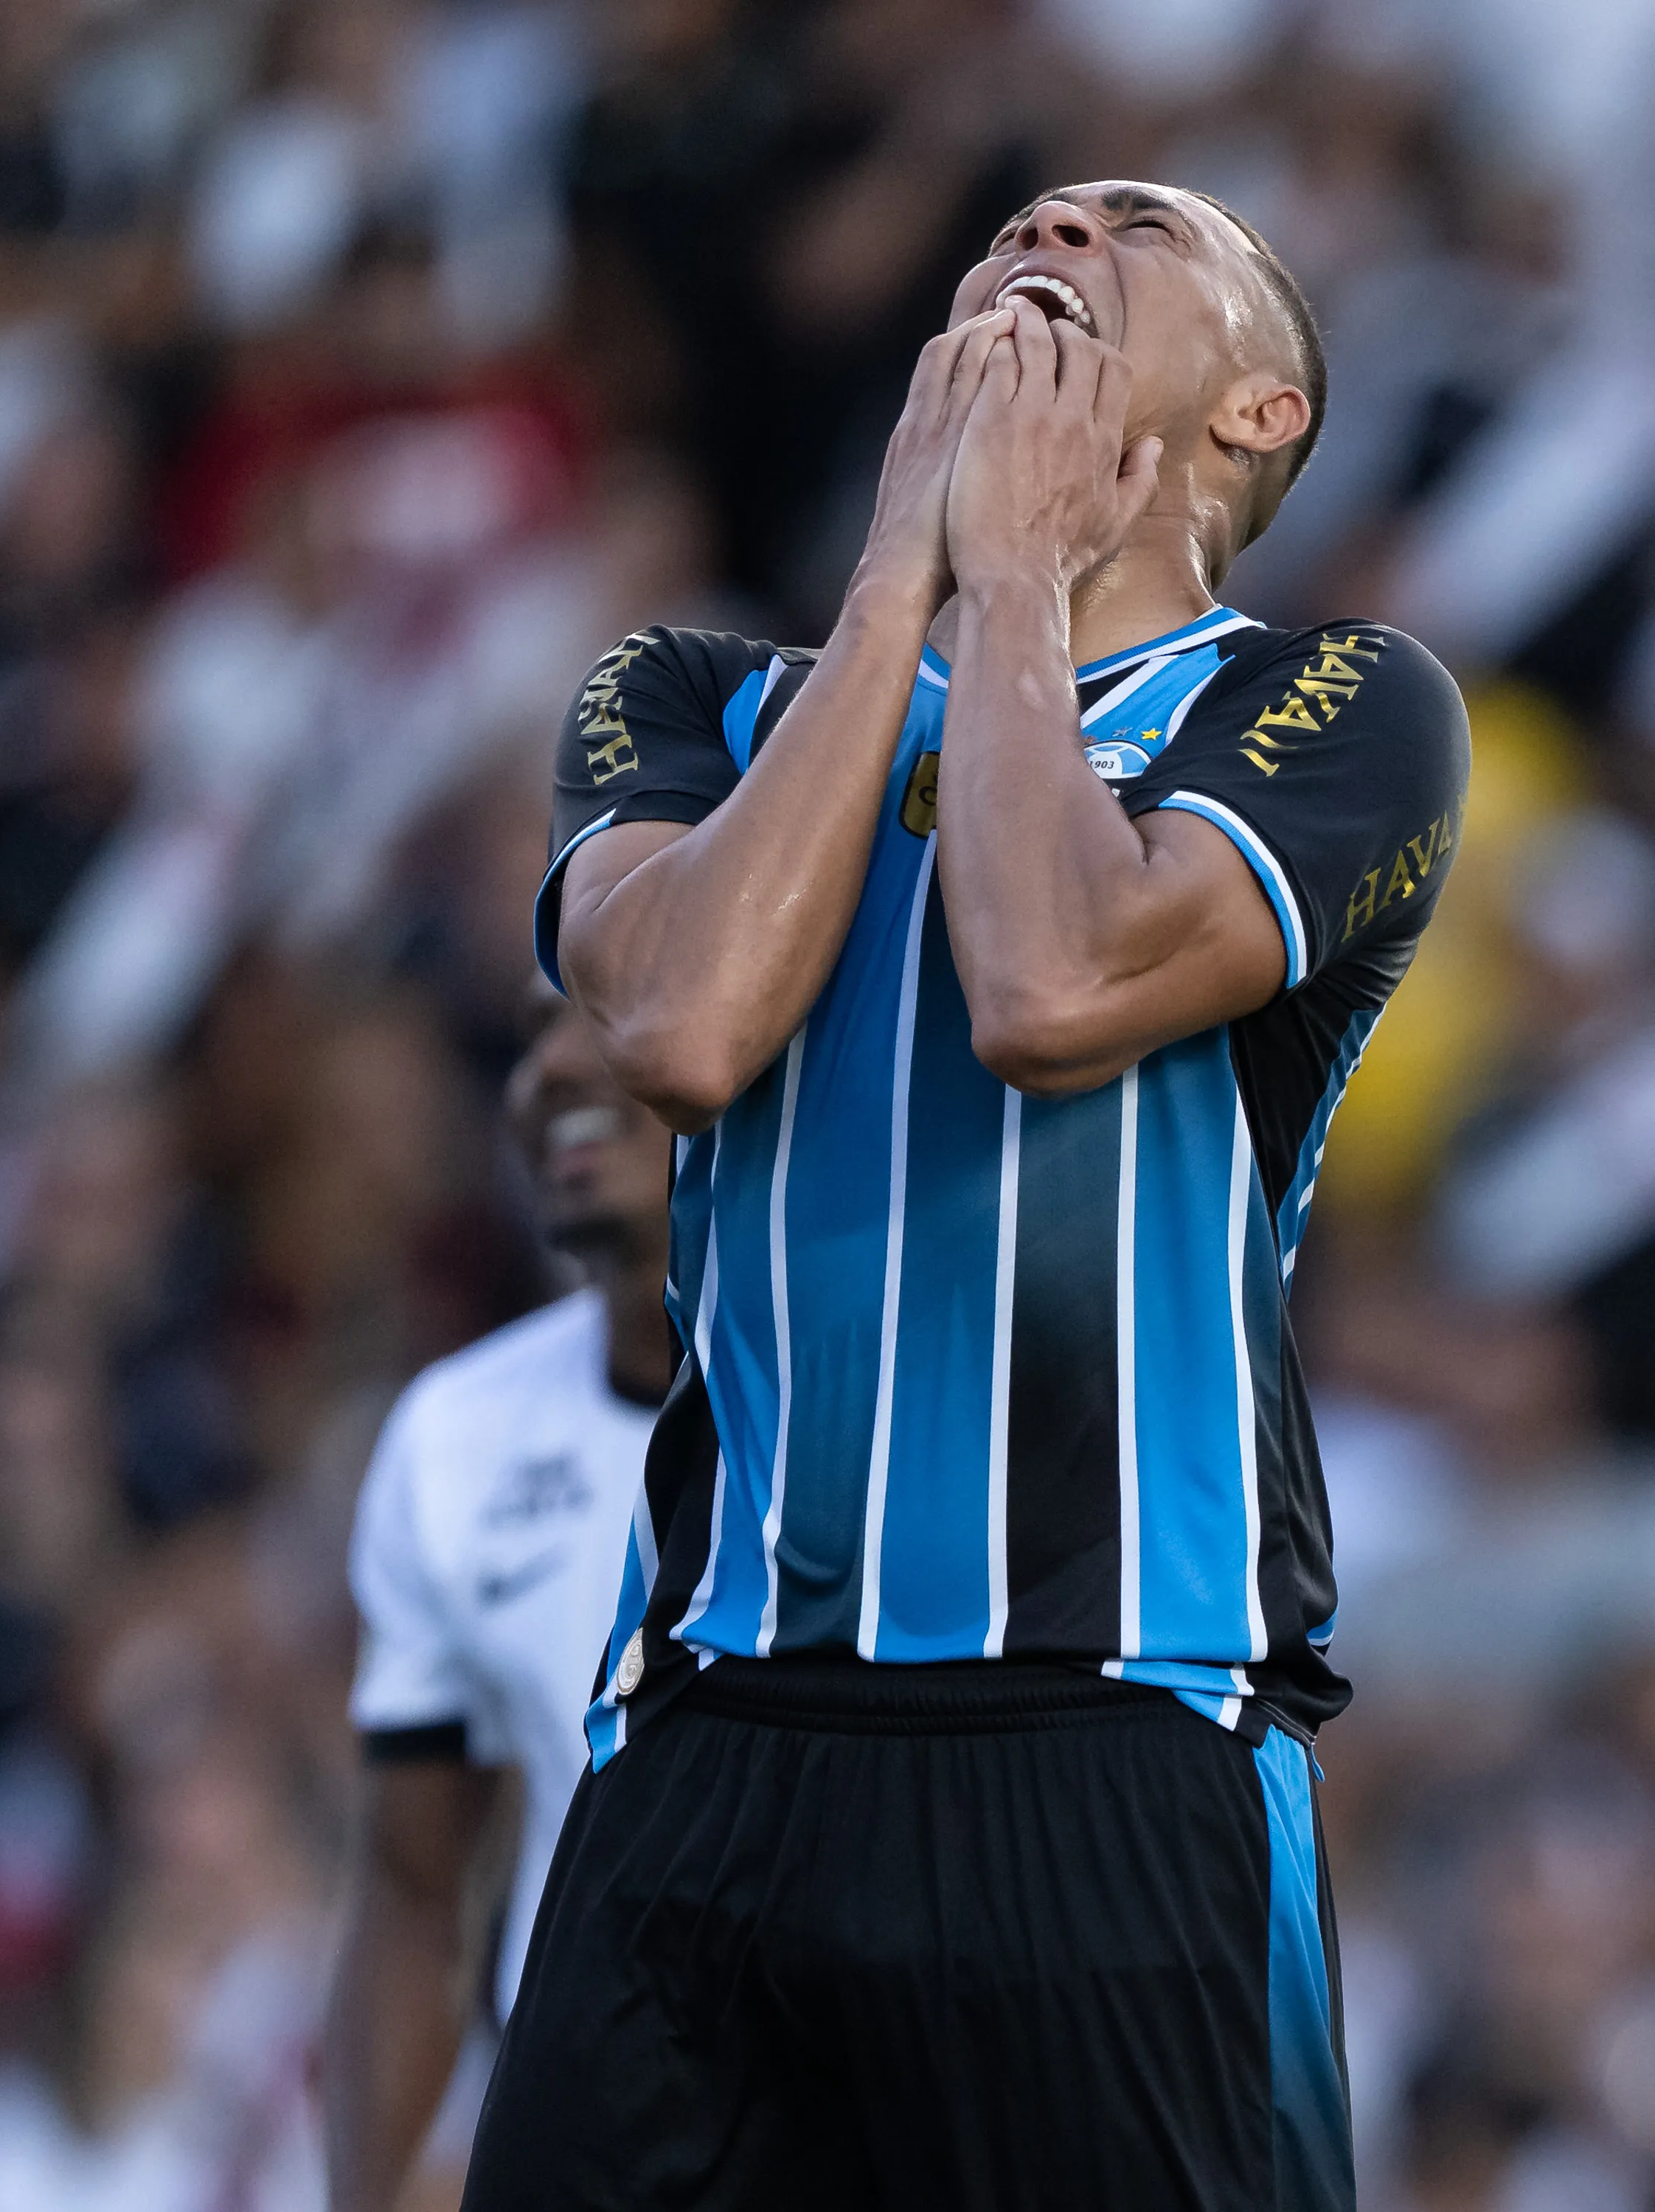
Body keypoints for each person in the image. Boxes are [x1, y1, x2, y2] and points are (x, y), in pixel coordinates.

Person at [467, 184, 1471, 2212]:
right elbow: (679, 1025)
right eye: (1031, 217)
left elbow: (1053, 987)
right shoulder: (685, 696)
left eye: (1139, 229)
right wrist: (898, 591)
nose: (1056, 218)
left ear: (1262, 412)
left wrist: (1011, 580)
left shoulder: (1346, 707)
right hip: (713, 1731)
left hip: (1116, 1733)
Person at [321, 984, 670, 2212]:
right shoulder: (454, 1439)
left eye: (617, 1008)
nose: (553, 1072)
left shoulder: (913, 1404)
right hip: (589, 2137)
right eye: (532, 1030)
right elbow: (412, 1895)